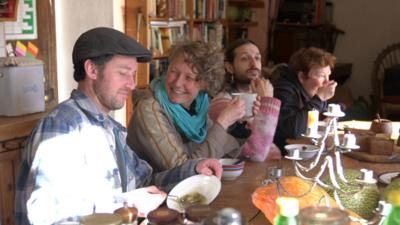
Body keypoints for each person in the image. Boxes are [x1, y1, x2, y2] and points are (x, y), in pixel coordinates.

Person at [15, 27, 222, 225]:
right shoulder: (62, 128)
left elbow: (145, 182)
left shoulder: (109, 128)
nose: (132, 84)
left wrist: (193, 170)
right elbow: (47, 215)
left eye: (133, 74)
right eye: (123, 73)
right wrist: (125, 204)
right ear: (92, 69)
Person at [127, 40, 263, 172]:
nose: (177, 83)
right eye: (173, 71)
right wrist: (223, 122)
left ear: (205, 83)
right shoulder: (149, 108)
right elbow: (181, 169)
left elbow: (223, 156)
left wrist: (239, 124)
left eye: (189, 77)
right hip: (155, 192)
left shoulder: (198, 106)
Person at [208, 39, 282, 161]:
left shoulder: (257, 95)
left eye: (257, 58)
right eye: (245, 59)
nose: (254, 64)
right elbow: (254, 154)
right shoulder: (222, 104)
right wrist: (267, 102)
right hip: (241, 174)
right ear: (229, 67)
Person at [272, 47, 337, 153]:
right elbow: (294, 131)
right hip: (283, 157)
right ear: (302, 77)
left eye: (328, 76)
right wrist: (319, 99)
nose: (327, 82)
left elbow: (321, 118)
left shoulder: (310, 90)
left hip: (305, 151)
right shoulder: (284, 91)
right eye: (321, 76)